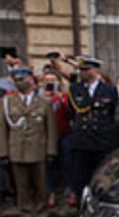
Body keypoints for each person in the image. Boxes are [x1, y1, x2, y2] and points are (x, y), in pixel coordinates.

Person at [0, 67, 58, 217]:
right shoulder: (7, 102)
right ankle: (26, 215)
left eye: (23, 80)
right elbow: (2, 129)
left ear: (31, 81)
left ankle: (41, 214)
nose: (20, 83)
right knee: (22, 186)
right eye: (17, 80)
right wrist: (3, 152)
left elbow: (51, 129)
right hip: (17, 150)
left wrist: (51, 151)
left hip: (38, 149)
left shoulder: (44, 102)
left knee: (40, 185)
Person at [68, 57, 119, 202]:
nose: (83, 73)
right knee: (81, 181)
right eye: (81, 70)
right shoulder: (75, 89)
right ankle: (81, 211)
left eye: (86, 70)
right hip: (82, 141)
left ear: (96, 70)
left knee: (101, 180)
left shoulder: (109, 90)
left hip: (101, 141)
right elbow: (72, 112)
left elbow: (112, 113)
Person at [41, 69, 75, 207]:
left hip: (64, 133)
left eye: (53, 80)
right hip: (47, 135)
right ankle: (51, 194)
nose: (50, 83)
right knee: (50, 165)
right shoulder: (40, 97)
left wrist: (61, 98)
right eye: (47, 81)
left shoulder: (65, 96)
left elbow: (71, 113)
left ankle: (72, 192)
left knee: (68, 163)